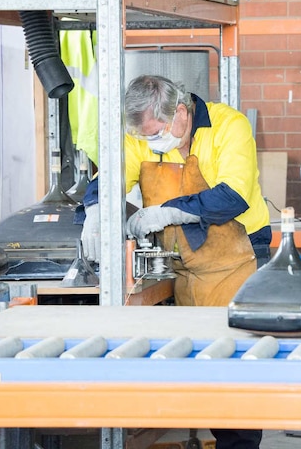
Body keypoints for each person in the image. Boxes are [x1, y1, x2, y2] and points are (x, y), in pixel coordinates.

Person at [80, 74, 271, 449]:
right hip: (183, 264)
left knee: (235, 369)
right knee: (199, 364)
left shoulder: (228, 125)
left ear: (180, 112)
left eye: (157, 134)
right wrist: (95, 209)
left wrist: (166, 212)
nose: (152, 143)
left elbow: (233, 196)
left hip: (238, 260)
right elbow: (110, 178)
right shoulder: (140, 136)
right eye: (146, 137)